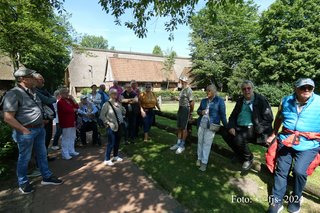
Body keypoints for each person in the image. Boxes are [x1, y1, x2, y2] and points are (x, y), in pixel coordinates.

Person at [2, 67, 63, 194]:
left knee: (42, 155)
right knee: (24, 158)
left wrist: (42, 120)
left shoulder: (33, 91)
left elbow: (36, 108)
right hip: (26, 132)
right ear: (22, 79)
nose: (35, 79)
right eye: (31, 77)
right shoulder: (14, 93)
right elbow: (8, 117)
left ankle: (46, 177)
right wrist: (24, 130)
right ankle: (23, 183)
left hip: (39, 129)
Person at [266, 78, 320, 213]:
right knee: (281, 171)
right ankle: (276, 202)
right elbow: (279, 118)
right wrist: (274, 133)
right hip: (286, 140)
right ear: (296, 89)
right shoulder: (286, 101)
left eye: (310, 87)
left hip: (309, 143)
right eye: (303, 87)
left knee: (299, 171)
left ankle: (296, 198)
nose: (306, 90)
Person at [222, 80, 273, 170]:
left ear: (252, 89)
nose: (247, 91)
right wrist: (231, 126)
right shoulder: (240, 101)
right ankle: (239, 155)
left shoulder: (260, 100)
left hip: (254, 128)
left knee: (239, 138)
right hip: (240, 126)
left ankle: (248, 158)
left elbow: (269, 118)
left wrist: (259, 129)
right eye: (244, 89)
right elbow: (233, 116)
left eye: (249, 88)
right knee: (225, 133)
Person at [196, 85, 227, 171]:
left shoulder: (219, 101)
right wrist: (201, 112)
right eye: (207, 90)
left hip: (211, 126)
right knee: (200, 142)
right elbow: (198, 111)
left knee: (207, 144)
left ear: (214, 91)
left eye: (209, 90)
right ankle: (199, 158)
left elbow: (223, 115)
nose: (207, 92)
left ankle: (204, 163)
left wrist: (227, 126)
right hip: (201, 124)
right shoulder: (203, 101)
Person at [99, 89, 126, 166]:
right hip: (111, 126)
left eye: (116, 93)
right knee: (111, 143)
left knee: (117, 142)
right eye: (113, 93)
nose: (115, 95)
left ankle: (115, 156)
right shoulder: (106, 104)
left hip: (119, 125)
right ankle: (107, 159)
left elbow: (124, 112)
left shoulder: (118, 103)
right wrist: (107, 123)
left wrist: (121, 105)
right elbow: (102, 116)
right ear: (110, 94)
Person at [34, 73, 56, 161]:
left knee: (48, 137)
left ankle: (45, 156)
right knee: (43, 139)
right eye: (41, 79)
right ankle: (40, 159)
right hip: (42, 118)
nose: (43, 81)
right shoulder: (35, 91)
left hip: (48, 117)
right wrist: (52, 99)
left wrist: (51, 99)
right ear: (35, 80)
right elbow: (48, 100)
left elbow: (52, 98)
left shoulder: (43, 90)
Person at [170, 76, 194, 154]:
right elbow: (182, 99)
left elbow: (192, 102)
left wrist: (190, 113)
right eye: (180, 81)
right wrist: (175, 98)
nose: (181, 82)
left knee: (184, 128)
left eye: (182, 81)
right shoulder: (183, 89)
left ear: (186, 82)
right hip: (180, 109)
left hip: (185, 109)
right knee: (179, 127)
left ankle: (182, 145)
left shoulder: (189, 90)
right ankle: (178, 143)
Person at [57, 87, 79, 160]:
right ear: (61, 94)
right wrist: (73, 109)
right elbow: (67, 110)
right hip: (66, 122)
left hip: (72, 121)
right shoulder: (60, 102)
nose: (67, 94)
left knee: (72, 136)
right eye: (65, 92)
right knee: (66, 138)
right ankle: (65, 153)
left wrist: (73, 99)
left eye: (67, 92)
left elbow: (77, 106)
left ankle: (71, 150)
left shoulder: (69, 100)